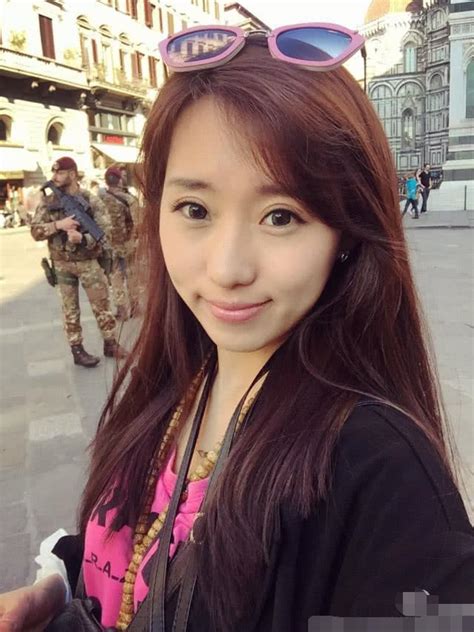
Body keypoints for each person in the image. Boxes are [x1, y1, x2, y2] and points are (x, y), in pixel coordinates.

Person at [1, 24, 473, 632]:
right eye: (195, 209)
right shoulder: (179, 375)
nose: (227, 269)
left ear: (346, 234)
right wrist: (61, 588)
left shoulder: (381, 471)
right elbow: (140, 548)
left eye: (281, 216)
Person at [29, 156, 125, 368]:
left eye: (60, 172)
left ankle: (110, 343)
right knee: (70, 309)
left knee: (102, 303)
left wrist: (83, 238)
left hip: (88, 261)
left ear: (72, 174)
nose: (55, 176)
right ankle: (77, 350)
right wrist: (58, 225)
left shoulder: (90, 199)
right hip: (62, 263)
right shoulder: (49, 201)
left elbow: (106, 231)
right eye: (54, 172)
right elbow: (35, 231)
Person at [100, 166, 140, 320]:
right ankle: (135, 306)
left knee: (115, 276)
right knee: (131, 274)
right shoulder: (129, 199)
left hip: (110, 245)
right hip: (129, 244)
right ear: (120, 180)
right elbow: (138, 223)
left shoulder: (100, 200)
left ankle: (121, 309)